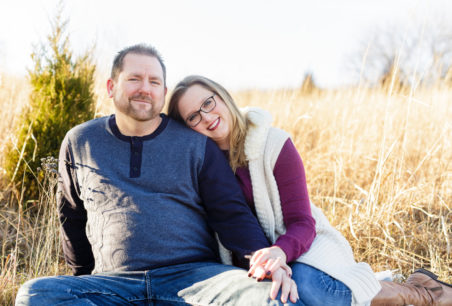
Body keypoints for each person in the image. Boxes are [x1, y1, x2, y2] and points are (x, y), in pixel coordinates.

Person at [15, 44, 299, 305]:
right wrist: (84, 280)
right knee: (36, 294)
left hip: (196, 280)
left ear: (163, 93)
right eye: (134, 79)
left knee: (269, 297)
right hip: (114, 285)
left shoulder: (195, 143)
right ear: (111, 86)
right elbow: (72, 217)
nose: (145, 88)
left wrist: (262, 262)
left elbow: (231, 214)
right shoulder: (81, 141)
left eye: (154, 82)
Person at [167, 75, 452, 306]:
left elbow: (303, 222)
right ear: (186, 128)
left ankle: (422, 293)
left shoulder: (274, 144)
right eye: (193, 116)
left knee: (306, 286)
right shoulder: (200, 167)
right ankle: (380, 284)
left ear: (222, 96)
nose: (206, 116)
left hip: (304, 242)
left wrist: (280, 252)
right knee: (285, 295)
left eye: (208, 102)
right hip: (252, 261)